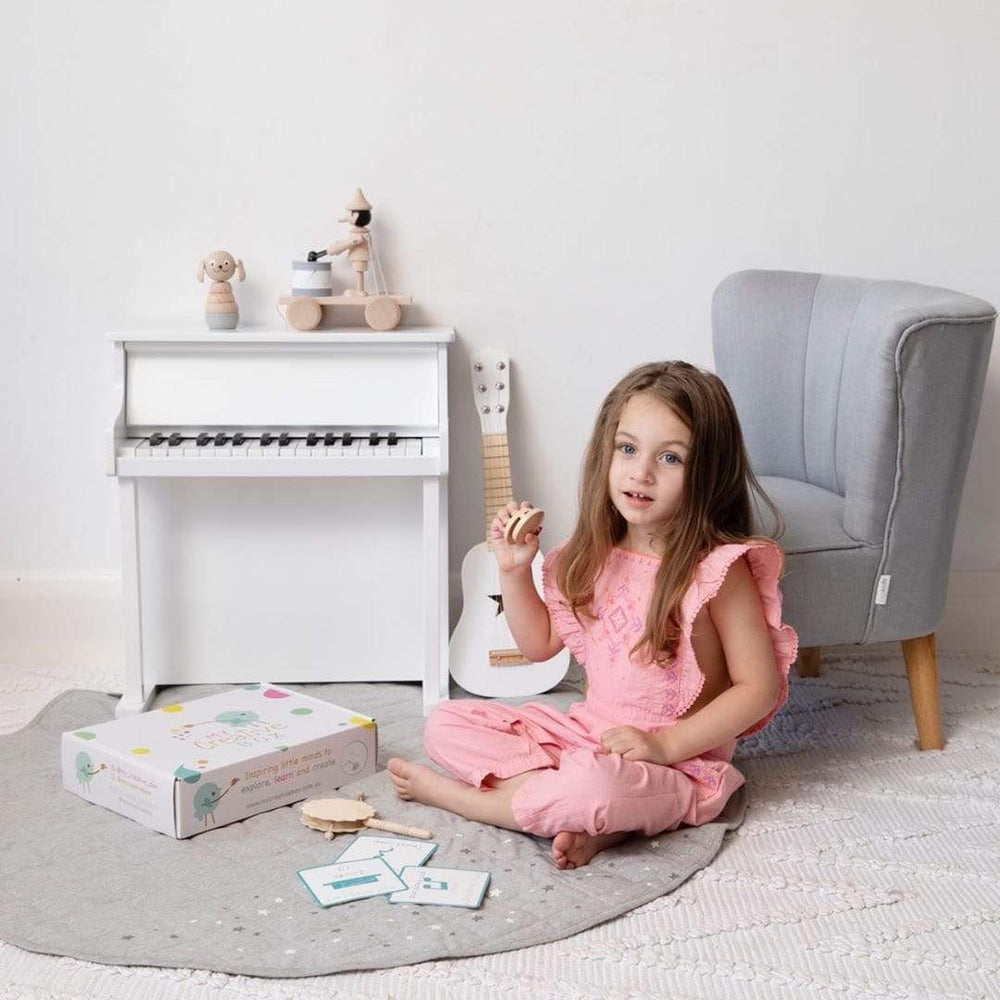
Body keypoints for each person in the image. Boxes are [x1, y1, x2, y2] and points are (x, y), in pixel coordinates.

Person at [388, 360, 800, 870]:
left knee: (597, 787)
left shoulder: (718, 571)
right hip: (585, 736)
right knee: (446, 722)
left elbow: (756, 688)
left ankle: (471, 801)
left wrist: (663, 744)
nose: (640, 472)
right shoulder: (594, 553)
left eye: (670, 458)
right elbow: (537, 645)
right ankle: (582, 817)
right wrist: (514, 571)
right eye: (627, 449)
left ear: (708, 472)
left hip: (677, 763)